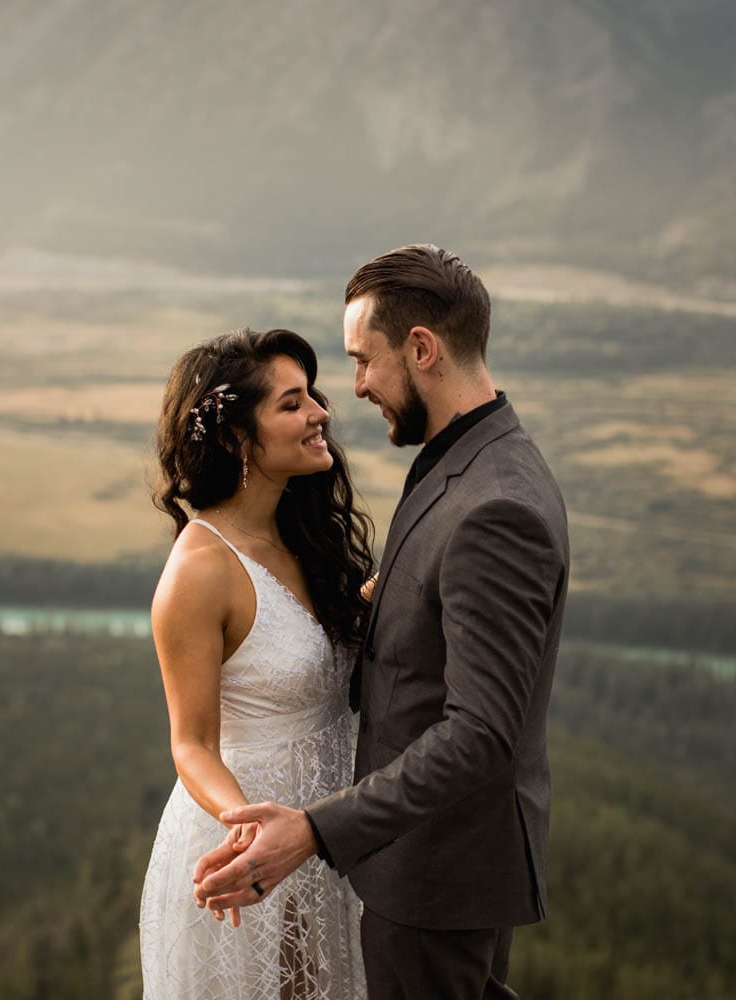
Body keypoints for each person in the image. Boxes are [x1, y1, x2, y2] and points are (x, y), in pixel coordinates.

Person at [193, 245, 570, 999]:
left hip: (437, 877)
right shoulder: (466, 458)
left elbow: (481, 734)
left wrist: (314, 829)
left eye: (365, 360)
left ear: (422, 348)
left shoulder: (493, 504)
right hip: (424, 868)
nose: (355, 387)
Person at [138, 328, 376, 1000]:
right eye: (292, 404)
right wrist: (250, 832)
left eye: (313, 397)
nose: (320, 413)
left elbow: (317, 645)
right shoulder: (200, 570)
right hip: (247, 851)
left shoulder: (300, 535)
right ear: (240, 442)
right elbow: (190, 744)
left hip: (324, 838)